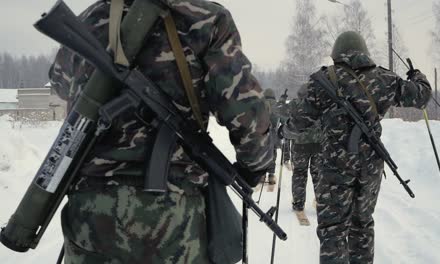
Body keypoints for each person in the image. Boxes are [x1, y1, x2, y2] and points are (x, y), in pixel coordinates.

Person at [49, 0, 273, 263]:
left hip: (90, 213)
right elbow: (248, 114)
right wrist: (253, 168)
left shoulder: (87, 19)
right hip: (173, 218)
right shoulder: (204, 18)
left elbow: (61, 84)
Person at [285, 31, 432, 263]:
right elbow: (422, 96)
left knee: (333, 230)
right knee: (362, 226)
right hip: (370, 169)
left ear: (336, 54)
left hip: (334, 169)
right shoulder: (384, 79)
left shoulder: (323, 81)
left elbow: (295, 123)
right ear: (364, 52)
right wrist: (417, 75)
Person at [288, 85, 322, 215]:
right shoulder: (320, 105)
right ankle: (321, 203)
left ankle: (298, 203)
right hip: (318, 145)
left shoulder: (295, 104)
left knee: (299, 174)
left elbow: (286, 116)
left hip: (300, 145)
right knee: (318, 174)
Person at [263, 88, 281, 186]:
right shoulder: (277, 105)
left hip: (262, 134)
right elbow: (282, 117)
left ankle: (262, 175)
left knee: (263, 154)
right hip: (274, 134)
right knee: (272, 154)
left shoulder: (260, 103)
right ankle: (271, 176)